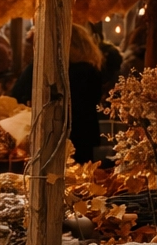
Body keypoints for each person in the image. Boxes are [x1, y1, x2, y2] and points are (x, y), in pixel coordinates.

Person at [13, 24, 106, 162]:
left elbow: (16, 95)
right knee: (80, 178)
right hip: (83, 136)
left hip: (50, 135)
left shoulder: (42, 69)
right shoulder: (90, 71)